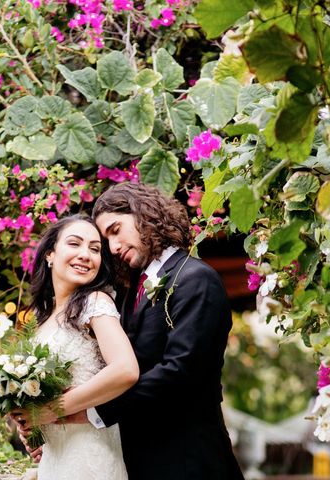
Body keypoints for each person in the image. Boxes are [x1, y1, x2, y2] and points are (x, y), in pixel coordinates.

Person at [87, 183, 244, 479]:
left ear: (143, 213)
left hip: (188, 461)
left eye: (115, 229)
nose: (113, 247)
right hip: (138, 459)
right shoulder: (129, 292)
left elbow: (180, 371)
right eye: (106, 239)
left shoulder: (197, 279)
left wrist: (92, 412)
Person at [10, 214, 139, 480]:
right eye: (75, 244)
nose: (85, 254)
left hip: (91, 457)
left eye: (94, 249)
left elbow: (126, 369)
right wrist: (30, 424)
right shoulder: (41, 318)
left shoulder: (95, 302)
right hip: (55, 460)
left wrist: (51, 410)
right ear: (49, 254)